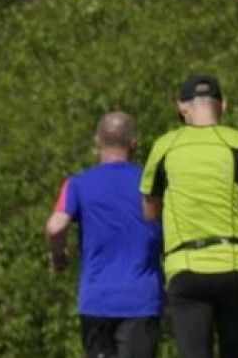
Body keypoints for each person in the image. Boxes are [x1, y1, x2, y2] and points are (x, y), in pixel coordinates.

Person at [140, 74, 238, 358]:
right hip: (235, 266)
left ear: (181, 107)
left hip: (185, 268)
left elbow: (150, 212)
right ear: (223, 105)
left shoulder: (165, 145)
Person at [45, 111, 164, 358]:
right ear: (134, 143)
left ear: (97, 141)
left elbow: (56, 227)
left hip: (97, 300)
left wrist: (58, 256)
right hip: (141, 299)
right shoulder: (153, 184)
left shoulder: (77, 184)